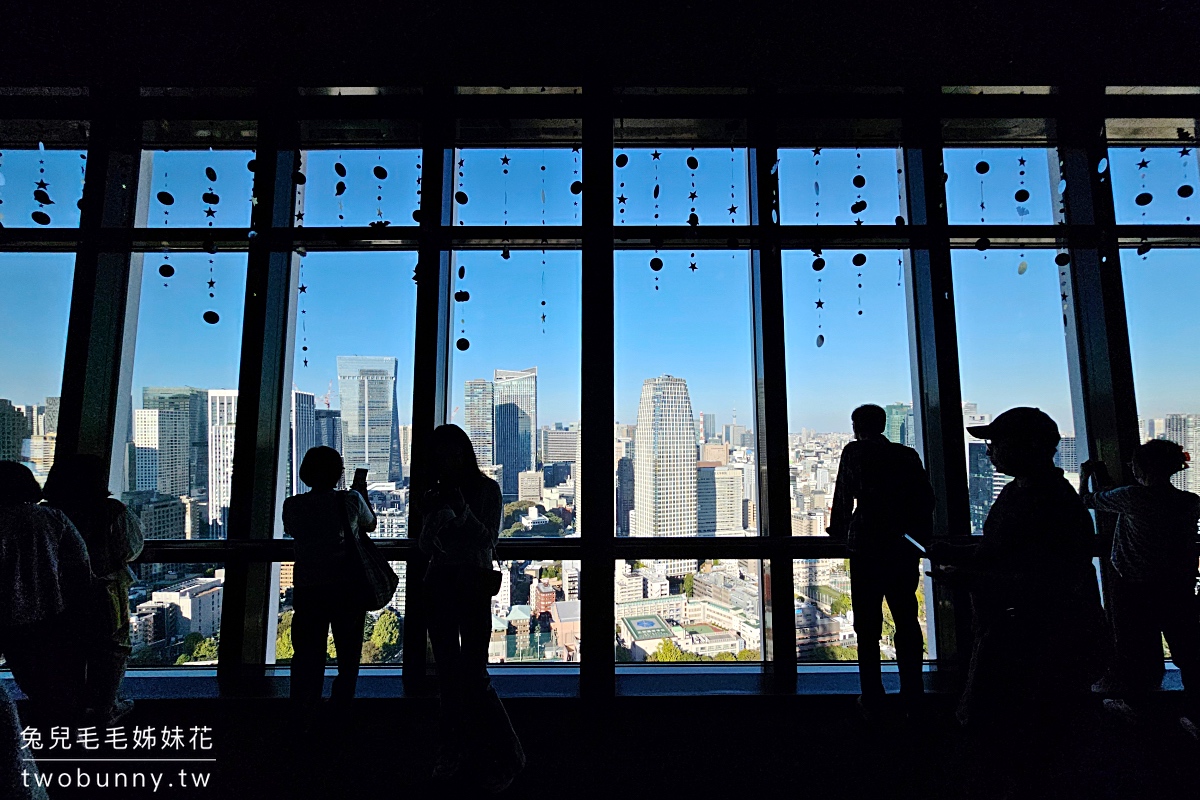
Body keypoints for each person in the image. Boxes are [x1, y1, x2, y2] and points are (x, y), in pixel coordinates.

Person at [929, 408, 1105, 731]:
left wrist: (969, 577)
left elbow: (1046, 581)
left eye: (996, 442)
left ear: (1029, 447)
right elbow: (999, 550)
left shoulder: (1052, 503)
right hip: (1014, 635)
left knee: (1024, 735)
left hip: (1040, 646)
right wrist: (956, 553)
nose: (989, 450)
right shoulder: (1023, 492)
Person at [419, 424, 524, 792]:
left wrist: (460, 511)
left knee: (474, 674)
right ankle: (457, 750)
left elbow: (488, 538)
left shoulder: (486, 490)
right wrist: (433, 525)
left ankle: (509, 753)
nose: (447, 460)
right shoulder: (434, 493)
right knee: (448, 675)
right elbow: (424, 545)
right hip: (440, 584)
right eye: (440, 454)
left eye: (453, 453)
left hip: (473, 585)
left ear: (465, 453)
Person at [1080, 440, 1200, 738]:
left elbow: (1089, 500)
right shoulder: (1189, 501)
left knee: (1135, 648)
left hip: (1134, 587)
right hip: (1177, 587)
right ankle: (1195, 711)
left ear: (1140, 467)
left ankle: (1140, 710)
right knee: (1188, 648)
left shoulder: (1132, 497)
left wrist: (1086, 476)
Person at [827, 404, 934, 719]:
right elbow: (926, 499)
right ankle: (913, 693)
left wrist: (839, 530)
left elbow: (843, 496)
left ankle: (873, 694)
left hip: (867, 544)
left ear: (857, 426)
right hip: (901, 545)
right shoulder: (906, 455)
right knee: (906, 619)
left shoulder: (855, 453)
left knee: (867, 625)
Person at [42, 454, 144, 725]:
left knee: (65, 649)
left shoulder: (46, 514)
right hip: (105, 590)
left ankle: (70, 709)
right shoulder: (111, 511)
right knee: (111, 648)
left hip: (57, 592)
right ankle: (105, 708)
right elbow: (130, 548)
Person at [281, 446, 376, 716]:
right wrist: (361, 494)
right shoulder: (351, 501)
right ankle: (340, 710)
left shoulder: (294, 505)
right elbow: (370, 524)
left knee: (307, 655)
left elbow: (294, 531)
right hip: (346, 589)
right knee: (348, 655)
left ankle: (304, 711)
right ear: (338, 473)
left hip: (309, 590)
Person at [0, 461, 92, 724]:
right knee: (47, 686)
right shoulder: (53, 518)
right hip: (47, 612)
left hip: (5, 612)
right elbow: (80, 563)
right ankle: (60, 740)